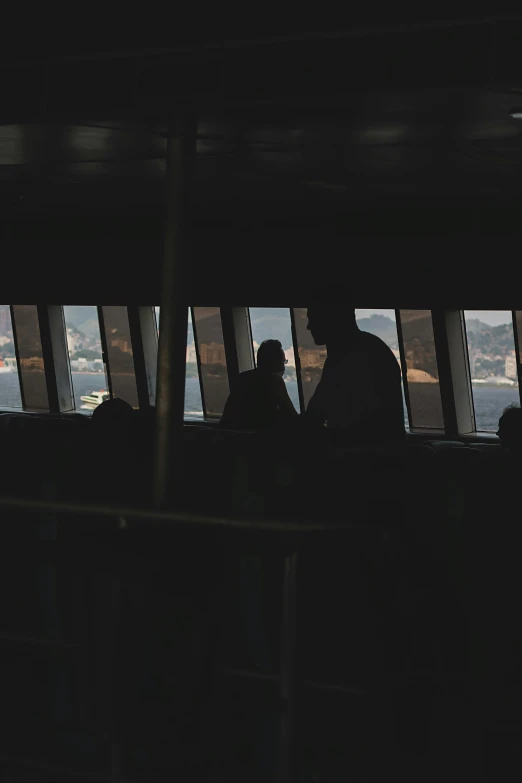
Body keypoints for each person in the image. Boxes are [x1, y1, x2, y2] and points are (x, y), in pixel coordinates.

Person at [303, 305, 405, 444]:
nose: (309, 326)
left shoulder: (342, 357)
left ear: (331, 319)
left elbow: (316, 414)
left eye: (313, 319)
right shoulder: (373, 348)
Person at [220, 339, 298, 431]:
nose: (283, 366)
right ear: (274, 362)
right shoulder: (274, 381)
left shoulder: (242, 377)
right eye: (283, 362)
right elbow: (291, 415)